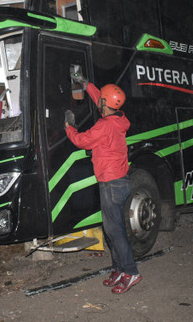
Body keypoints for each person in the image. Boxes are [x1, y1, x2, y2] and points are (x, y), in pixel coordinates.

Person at [64, 80, 142, 294]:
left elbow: (82, 141)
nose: (98, 101)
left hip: (110, 183)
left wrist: (68, 128)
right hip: (118, 180)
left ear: (105, 103)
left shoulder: (104, 125)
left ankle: (130, 271)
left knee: (114, 231)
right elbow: (102, 98)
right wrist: (87, 85)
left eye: (101, 99)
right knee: (113, 229)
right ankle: (118, 269)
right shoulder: (119, 118)